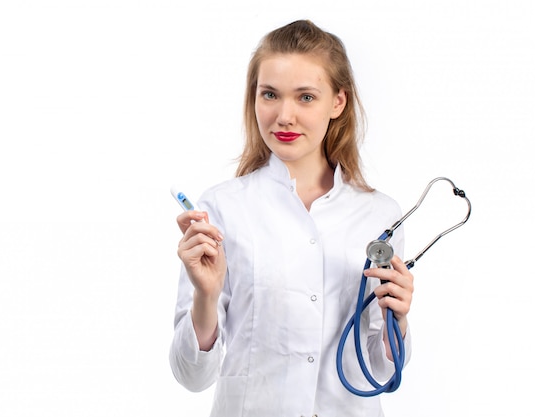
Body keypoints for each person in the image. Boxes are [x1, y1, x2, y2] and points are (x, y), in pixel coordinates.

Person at [169, 19, 414, 417]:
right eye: (270, 94)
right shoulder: (221, 209)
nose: (284, 116)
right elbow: (191, 377)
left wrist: (396, 318)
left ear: (338, 102)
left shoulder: (379, 215)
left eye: (305, 97)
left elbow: (381, 371)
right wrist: (206, 295)